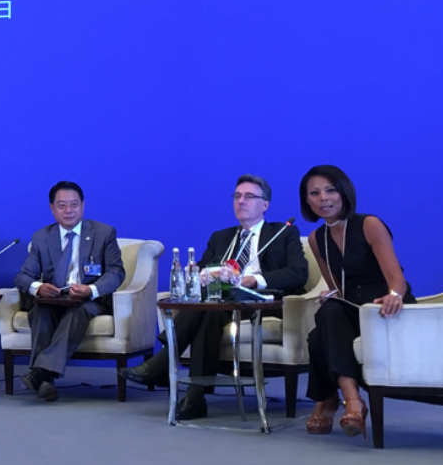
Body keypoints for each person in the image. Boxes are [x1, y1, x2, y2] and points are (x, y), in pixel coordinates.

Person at [123, 174, 308, 419]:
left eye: (249, 196)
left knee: (208, 309)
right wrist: (205, 275)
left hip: (261, 302)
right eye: (237, 196)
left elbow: (298, 273)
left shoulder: (283, 233)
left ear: (265, 204)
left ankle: (164, 363)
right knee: (209, 314)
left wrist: (254, 280)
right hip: (223, 303)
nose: (241, 201)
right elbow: (201, 269)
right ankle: (194, 399)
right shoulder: (221, 237)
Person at [300, 165, 413, 440]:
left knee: (319, 334)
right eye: (314, 193)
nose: (323, 198)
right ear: (307, 201)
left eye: (330, 190)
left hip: (384, 307)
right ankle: (352, 401)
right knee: (326, 317)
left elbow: (397, 279)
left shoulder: (369, 224)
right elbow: (338, 289)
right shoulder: (316, 239)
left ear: (344, 192)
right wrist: (331, 295)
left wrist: (394, 295)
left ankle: (331, 401)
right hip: (353, 310)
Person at [14, 181, 125, 402]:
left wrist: (90, 290)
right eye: (62, 205)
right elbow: (23, 276)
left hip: (88, 301)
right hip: (54, 300)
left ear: (83, 205)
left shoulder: (104, 233)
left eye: (74, 204)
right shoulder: (41, 237)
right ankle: (44, 379)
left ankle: (40, 373)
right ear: (52, 208)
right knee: (39, 312)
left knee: (78, 312)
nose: (68, 211)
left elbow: (116, 272)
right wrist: (39, 288)